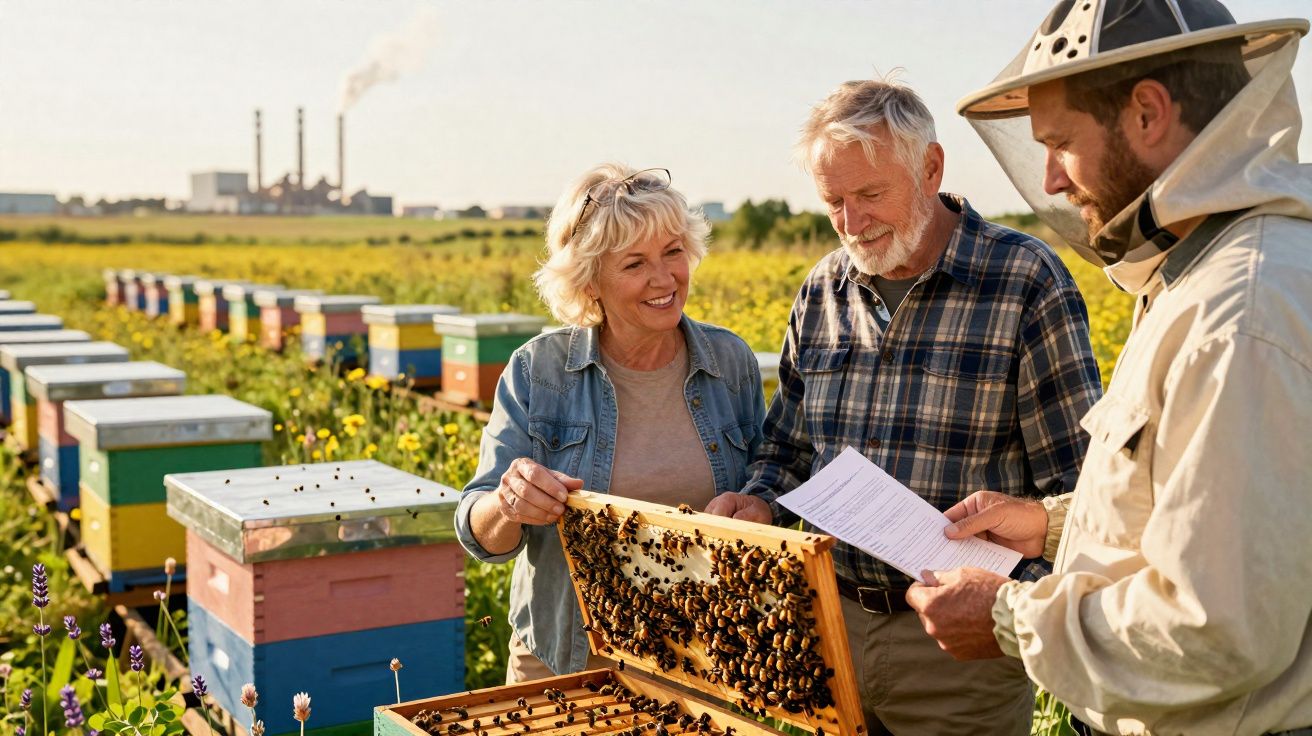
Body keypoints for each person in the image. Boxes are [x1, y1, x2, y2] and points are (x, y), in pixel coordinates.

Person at [908, 1, 1312, 734]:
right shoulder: (1208, 271)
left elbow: (1216, 626)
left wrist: (1006, 617)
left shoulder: (1238, 311)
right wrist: (1052, 523)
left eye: (1060, 143)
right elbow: (1205, 505)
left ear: (1149, 112)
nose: (1053, 182)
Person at [704, 78, 1104, 734]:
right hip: (830, 629)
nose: (853, 223)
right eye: (834, 202)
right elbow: (789, 448)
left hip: (960, 657)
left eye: (870, 195)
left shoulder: (1026, 281)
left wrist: (1008, 606)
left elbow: (1083, 493)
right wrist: (759, 499)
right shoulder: (823, 289)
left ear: (932, 168)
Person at [454, 163, 766, 683]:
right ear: (590, 280)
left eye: (673, 252)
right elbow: (479, 532)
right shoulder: (540, 371)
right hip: (565, 664)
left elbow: (765, 482)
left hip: (703, 664)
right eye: (635, 263)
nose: (664, 278)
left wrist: (760, 505)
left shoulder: (730, 361)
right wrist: (510, 503)